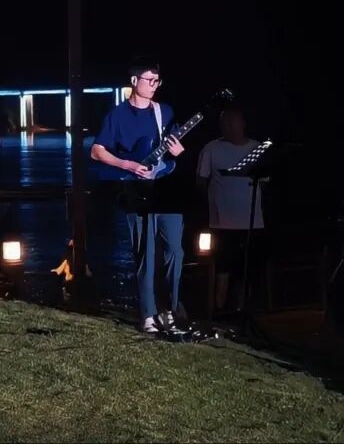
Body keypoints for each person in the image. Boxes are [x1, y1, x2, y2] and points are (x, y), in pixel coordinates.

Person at [90, 57, 187, 334]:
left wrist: (179, 152)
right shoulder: (117, 116)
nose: (154, 85)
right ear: (134, 81)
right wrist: (128, 165)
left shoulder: (164, 112)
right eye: (149, 80)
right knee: (145, 251)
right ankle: (148, 314)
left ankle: (172, 309)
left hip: (164, 186)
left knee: (175, 250)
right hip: (134, 188)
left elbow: (173, 150)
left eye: (157, 81)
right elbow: (96, 151)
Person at [197, 105, 264, 312]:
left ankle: (242, 311)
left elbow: (267, 180)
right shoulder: (211, 149)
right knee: (222, 268)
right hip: (221, 222)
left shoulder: (257, 148)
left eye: (231, 122)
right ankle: (218, 312)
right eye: (224, 123)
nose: (227, 126)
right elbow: (201, 181)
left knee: (246, 270)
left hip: (252, 222)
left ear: (242, 123)